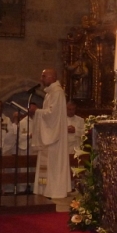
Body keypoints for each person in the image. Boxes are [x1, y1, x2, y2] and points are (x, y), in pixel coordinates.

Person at [32, 69, 72, 199]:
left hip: (55, 138)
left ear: (53, 77)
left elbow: (52, 114)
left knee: (54, 164)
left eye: (44, 76)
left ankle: (55, 190)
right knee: (48, 164)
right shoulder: (50, 93)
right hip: (50, 135)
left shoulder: (57, 93)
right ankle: (47, 189)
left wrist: (37, 111)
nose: (41, 79)